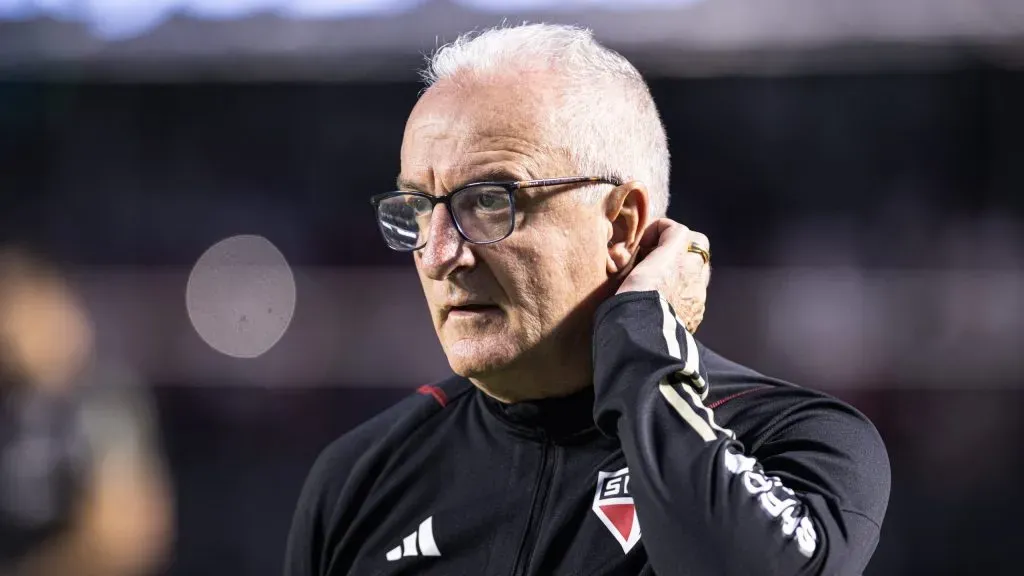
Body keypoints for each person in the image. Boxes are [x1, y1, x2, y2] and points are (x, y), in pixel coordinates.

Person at [285, 23, 890, 576]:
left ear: (623, 226)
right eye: (419, 207)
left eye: (491, 200)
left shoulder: (797, 439)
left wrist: (644, 339)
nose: (440, 254)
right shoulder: (362, 476)